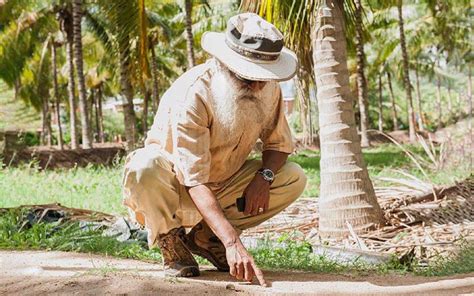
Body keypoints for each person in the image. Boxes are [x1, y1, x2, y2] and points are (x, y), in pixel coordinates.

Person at [122, 12, 307, 286]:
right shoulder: (193, 94)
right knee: (144, 167)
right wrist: (232, 241)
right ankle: (171, 241)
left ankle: (205, 236)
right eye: (247, 78)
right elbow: (194, 179)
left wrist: (264, 177)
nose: (256, 86)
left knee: (292, 177)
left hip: (225, 185)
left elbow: (279, 144)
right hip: (176, 189)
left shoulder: (267, 88)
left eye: (262, 78)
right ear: (225, 65)